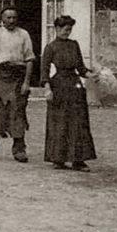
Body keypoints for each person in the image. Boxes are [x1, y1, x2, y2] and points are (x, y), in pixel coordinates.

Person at [40, 15, 98, 171]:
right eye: (65, 30)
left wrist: (92, 75)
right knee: (59, 123)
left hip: (75, 87)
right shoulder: (50, 47)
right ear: (57, 29)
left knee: (79, 122)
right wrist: (47, 89)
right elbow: (44, 72)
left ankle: (78, 160)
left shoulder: (74, 45)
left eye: (70, 30)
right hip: (58, 87)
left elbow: (81, 68)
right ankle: (58, 158)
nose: (68, 33)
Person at [0, 7, 35, 163]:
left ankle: (19, 149)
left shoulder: (23, 34)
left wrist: (26, 82)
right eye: (8, 18)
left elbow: (29, 59)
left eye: (14, 17)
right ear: (2, 19)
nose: (11, 20)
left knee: (17, 111)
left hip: (17, 76)